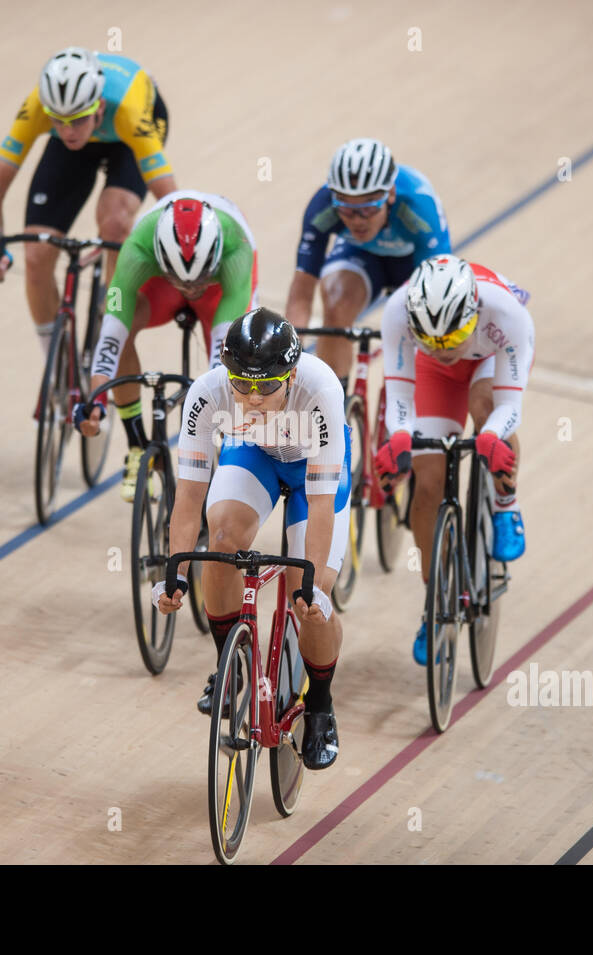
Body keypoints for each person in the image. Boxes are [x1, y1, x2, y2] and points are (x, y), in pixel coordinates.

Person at [154, 309, 349, 771]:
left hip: (311, 476)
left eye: (267, 386)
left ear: (292, 374)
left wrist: (314, 586)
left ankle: (320, 704)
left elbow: (321, 505)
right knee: (219, 541)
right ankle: (231, 667)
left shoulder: (320, 391)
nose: (254, 397)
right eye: (243, 384)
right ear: (227, 373)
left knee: (314, 605)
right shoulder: (207, 394)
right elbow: (188, 497)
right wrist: (174, 573)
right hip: (254, 454)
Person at [374, 255, 534, 665]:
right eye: (430, 339)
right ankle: (437, 598)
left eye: (451, 338)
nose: (444, 349)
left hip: (488, 360)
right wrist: (399, 440)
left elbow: (510, 405)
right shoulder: (398, 312)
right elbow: (400, 401)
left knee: (485, 412)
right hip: (432, 376)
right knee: (427, 484)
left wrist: (493, 437)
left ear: (473, 313)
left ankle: (505, 505)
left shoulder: (507, 314)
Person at [0, 47, 177, 359]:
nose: (68, 131)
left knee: (114, 222)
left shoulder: (129, 112)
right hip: (81, 143)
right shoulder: (39, 108)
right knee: (35, 255)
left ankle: (111, 318)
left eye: (77, 120)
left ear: (97, 106)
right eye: (58, 121)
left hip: (128, 136)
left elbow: (171, 200)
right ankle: (56, 364)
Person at [73, 191, 258, 501]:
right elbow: (110, 339)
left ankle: (230, 468)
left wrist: (212, 406)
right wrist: (95, 402)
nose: (190, 287)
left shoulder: (236, 250)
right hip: (161, 286)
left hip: (220, 291)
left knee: (240, 359)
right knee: (121, 324)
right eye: (182, 279)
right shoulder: (136, 250)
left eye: (198, 278)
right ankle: (137, 446)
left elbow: (222, 354)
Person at [283, 138, 450, 387]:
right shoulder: (322, 206)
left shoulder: (418, 207)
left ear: (390, 194)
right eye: (347, 210)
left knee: (424, 325)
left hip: (412, 263)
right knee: (337, 302)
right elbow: (302, 293)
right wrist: (289, 362)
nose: (358, 220)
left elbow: (439, 291)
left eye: (369, 208)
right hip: (359, 256)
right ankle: (333, 402)